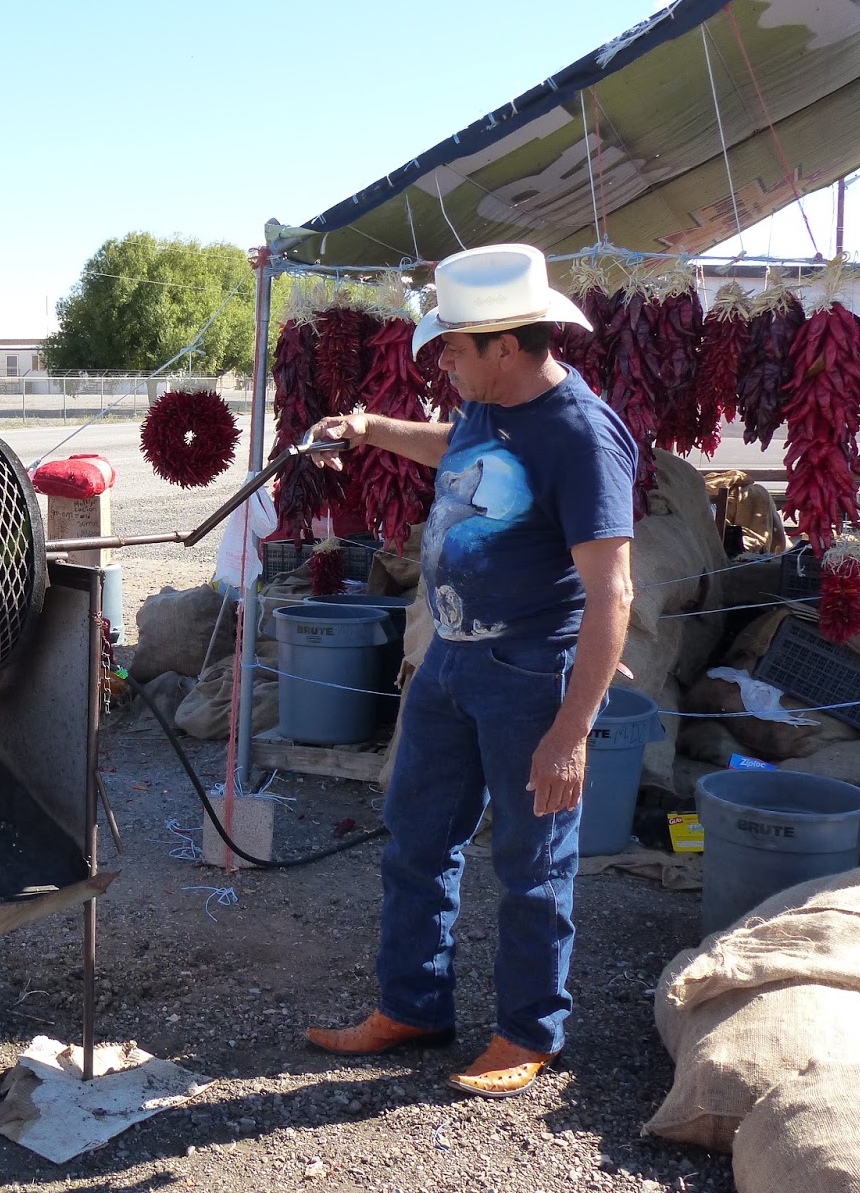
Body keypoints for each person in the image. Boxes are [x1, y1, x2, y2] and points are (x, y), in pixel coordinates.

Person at [302, 243, 637, 1098]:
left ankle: (531, 1032)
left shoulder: (582, 437)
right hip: (452, 659)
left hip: (531, 673)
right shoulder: (490, 408)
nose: (441, 358)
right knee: (416, 840)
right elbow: (454, 446)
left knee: (533, 865)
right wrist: (372, 428)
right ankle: (413, 1005)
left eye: (453, 345)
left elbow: (613, 594)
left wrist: (571, 736)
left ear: (507, 344)